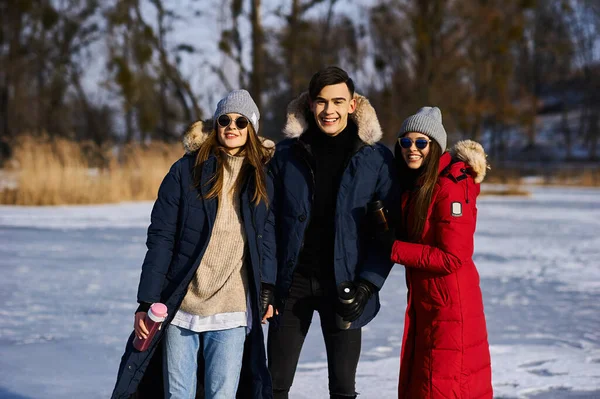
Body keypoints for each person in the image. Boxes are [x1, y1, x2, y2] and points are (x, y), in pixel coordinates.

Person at [111, 90, 277, 399]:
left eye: (241, 122)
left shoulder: (262, 177)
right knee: (179, 395)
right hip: (181, 305)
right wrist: (146, 302)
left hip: (232, 307)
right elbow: (161, 239)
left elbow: (267, 237)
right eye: (224, 120)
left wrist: (267, 287)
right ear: (215, 125)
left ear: (251, 128)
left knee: (222, 395)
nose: (232, 127)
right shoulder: (185, 171)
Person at [265, 66, 397, 399]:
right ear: (310, 104)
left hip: (345, 284)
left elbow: (387, 234)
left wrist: (368, 284)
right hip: (291, 284)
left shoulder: (377, 159)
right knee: (274, 384)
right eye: (322, 102)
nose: (329, 111)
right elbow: (266, 223)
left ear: (353, 105)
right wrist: (267, 282)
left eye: (338, 101)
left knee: (342, 387)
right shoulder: (285, 156)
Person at [373, 107, 493, 398]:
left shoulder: (451, 186)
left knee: (443, 387)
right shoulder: (417, 185)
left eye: (421, 143)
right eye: (405, 142)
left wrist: (393, 247)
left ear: (435, 145)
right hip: (429, 302)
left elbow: (453, 257)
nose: (412, 149)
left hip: (450, 305)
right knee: (425, 384)